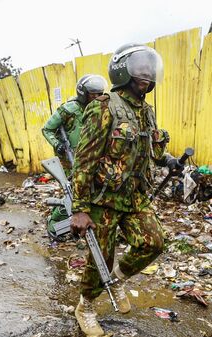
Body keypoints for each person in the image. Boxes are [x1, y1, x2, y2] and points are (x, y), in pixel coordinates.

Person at [71, 44, 180, 336]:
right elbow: (84, 161)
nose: (147, 74)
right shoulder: (103, 107)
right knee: (100, 259)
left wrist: (169, 159)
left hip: (135, 197)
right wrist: (80, 209)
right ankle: (86, 307)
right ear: (123, 70)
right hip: (104, 199)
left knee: (154, 242)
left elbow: (152, 152)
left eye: (150, 68)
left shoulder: (147, 112)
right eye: (140, 68)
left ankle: (116, 280)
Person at [42, 74, 107, 238]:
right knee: (71, 195)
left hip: (90, 160)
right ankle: (53, 225)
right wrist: (57, 144)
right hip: (69, 161)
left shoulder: (100, 110)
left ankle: (80, 226)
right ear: (83, 93)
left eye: (100, 94)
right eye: (94, 94)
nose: (97, 97)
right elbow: (47, 129)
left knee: (89, 195)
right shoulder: (69, 109)